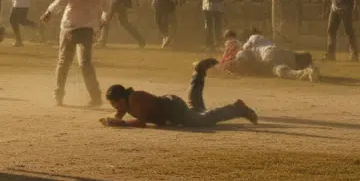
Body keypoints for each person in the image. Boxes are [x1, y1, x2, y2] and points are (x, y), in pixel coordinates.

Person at [101, 59, 258, 128]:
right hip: (172, 107)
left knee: (201, 120)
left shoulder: (136, 99)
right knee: (197, 108)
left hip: (173, 109)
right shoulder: (124, 105)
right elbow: (119, 116)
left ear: (121, 98)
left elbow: (142, 123)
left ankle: (237, 108)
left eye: (115, 103)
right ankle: (199, 72)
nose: (115, 107)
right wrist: (113, 120)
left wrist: (121, 123)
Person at [41, 0, 108, 106]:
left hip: (87, 28)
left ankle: (95, 97)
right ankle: (58, 94)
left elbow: (106, 8)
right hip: (69, 26)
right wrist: (49, 12)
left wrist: (102, 21)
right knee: (64, 61)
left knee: (85, 63)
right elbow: (62, 0)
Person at [232, 29, 319, 81]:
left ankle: (306, 73)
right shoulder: (265, 40)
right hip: (280, 50)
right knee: (299, 58)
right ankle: (311, 67)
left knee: (279, 69)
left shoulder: (253, 38)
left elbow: (244, 50)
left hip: (268, 54)